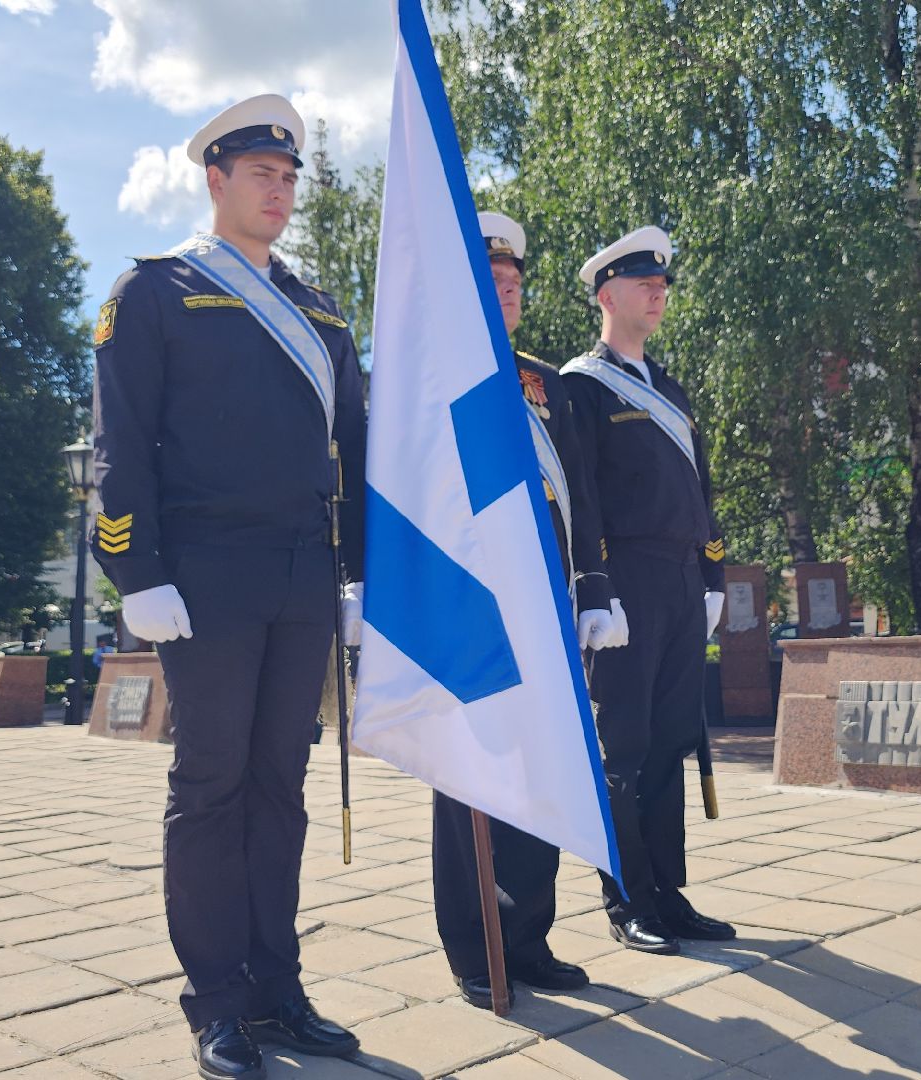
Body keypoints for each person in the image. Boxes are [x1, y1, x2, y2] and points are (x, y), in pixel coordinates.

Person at [90, 93, 367, 1080]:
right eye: (262, 174)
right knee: (210, 786)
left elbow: (357, 449)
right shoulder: (155, 292)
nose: (280, 190)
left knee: (279, 786)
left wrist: (359, 574)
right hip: (203, 574)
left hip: (301, 571)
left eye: (290, 176)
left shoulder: (321, 309)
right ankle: (217, 1003)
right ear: (215, 180)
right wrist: (136, 568)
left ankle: (278, 989)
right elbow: (120, 440)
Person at [430, 211, 627, 1008]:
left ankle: (529, 936)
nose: (507, 293)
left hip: (547, 603)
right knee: (472, 778)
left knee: (542, 769)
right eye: (493, 281)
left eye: (515, 284)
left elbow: (581, 494)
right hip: (475, 603)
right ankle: (477, 949)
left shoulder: (542, 382)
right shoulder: (434, 376)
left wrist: (596, 588)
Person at [559, 225, 734, 954]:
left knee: (671, 743)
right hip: (625, 581)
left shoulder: (672, 388)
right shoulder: (582, 386)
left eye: (662, 284)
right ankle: (626, 897)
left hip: (681, 580)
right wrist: (595, 587)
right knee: (623, 749)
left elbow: (704, 487)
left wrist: (716, 574)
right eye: (642, 284)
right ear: (607, 295)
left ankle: (668, 891)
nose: (658, 292)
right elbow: (582, 496)